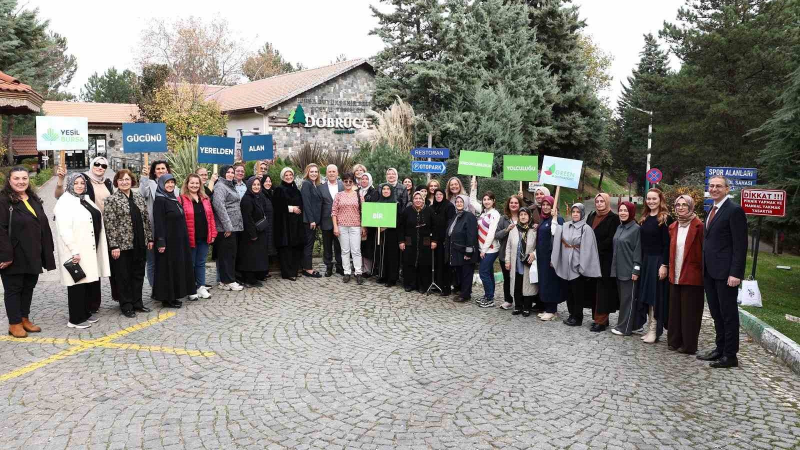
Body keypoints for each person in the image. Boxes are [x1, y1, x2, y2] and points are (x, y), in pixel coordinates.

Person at [698, 176, 747, 369]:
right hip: (710, 271)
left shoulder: (734, 210)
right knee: (716, 313)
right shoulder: (712, 208)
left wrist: (736, 273)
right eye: (711, 186)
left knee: (728, 314)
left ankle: (730, 355)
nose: (714, 189)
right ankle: (719, 349)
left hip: (726, 273)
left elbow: (740, 245)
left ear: (727, 189)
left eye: (719, 186)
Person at [0, 167, 56, 337]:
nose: (21, 182)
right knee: (14, 289)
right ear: (9, 180)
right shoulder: (3, 200)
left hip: (33, 252)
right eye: (16, 178)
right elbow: (0, 229)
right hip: (14, 254)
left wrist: (47, 249)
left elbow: (41, 224)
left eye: (24, 178)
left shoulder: (32, 197)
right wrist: (5, 255)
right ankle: (14, 323)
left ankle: (24, 318)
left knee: (28, 287)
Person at [54, 173, 110, 329]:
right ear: (70, 184)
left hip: (88, 248)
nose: (79, 186)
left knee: (86, 282)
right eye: (76, 183)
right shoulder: (65, 202)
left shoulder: (84, 199)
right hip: (75, 250)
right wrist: (74, 251)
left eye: (82, 183)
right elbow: (64, 230)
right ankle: (75, 319)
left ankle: (85, 313)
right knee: (76, 284)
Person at [104, 170, 154, 318]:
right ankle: (126, 305)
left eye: (127, 179)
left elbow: (146, 219)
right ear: (116, 182)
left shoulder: (138, 197)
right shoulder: (111, 200)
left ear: (132, 181)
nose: (124, 182)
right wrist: (114, 246)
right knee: (123, 276)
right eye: (121, 180)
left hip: (139, 242)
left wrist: (150, 239)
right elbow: (110, 224)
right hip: (122, 245)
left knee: (138, 274)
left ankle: (137, 302)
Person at [551, 203, 601, 327]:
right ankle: (571, 314)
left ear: (582, 214)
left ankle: (578, 317)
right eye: (573, 212)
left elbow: (587, 249)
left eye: (578, 212)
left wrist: (581, 266)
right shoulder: (565, 226)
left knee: (577, 292)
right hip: (566, 264)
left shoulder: (586, 229)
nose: (575, 214)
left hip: (577, 264)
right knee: (569, 291)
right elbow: (558, 238)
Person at [668, 195, 704, 355]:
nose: (681, 207)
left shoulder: (699, 226)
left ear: (691, 207)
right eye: (678, 205)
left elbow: (704, 251)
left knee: (690, 312)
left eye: (684, 205)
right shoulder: (673, 226)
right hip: (675, 273)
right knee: (675, 309)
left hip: (692, 274)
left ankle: (689, 345)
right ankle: (674, 341)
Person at [152, 174, 195, 307]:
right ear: (161, 185)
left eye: (172, 183)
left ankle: (174, 295)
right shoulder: (160, 200)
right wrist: (161, 241)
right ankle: (167, 298)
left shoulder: (173, 199)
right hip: (167, 241)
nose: (170, 185)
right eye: (167, 183)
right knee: (167, 269)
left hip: (178, 241)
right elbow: (158, 222)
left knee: (175, 268)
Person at [637, 188, 673, 344]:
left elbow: (667, 245)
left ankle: (654, 330)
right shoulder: (644, 217)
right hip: (646, 261)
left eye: (654, 199)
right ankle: (649, 327)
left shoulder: (665, 219)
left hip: (658, 262)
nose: (651, 201)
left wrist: (664, 265)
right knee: (646, 296)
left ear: (660, 200)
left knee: (655, 296)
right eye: (648, 199)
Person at [585, 193, 621, 332]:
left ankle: (602, 320)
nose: (599, 204)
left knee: (603, 290)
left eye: (602, 201)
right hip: (591, 259)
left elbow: (611, 238)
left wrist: (594, 247)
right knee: (594, 289)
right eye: (597, 201)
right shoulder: (592, 216)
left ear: (607, 202)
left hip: (605, 259)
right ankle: (597, 318)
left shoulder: (614, 218)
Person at [179, 174, 217, 299]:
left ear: (200, 185)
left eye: (197, 183)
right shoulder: (181, 199)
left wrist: (213, 233)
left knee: (201, 263)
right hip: (190, 237)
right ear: (187, 184)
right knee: (191, 263)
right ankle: (191, 288)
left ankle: (200, 286)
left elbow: (210, 217)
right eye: (192, 183)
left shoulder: (205, 198)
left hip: (204, 235)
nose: (194, 185)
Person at [611, 202, 642, 336]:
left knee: (627, 301)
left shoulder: (636, 229)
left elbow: (638, 250)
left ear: (631, 212)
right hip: (618, 270)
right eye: (621, 210)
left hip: (629, 271)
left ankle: (624, 328)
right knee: (623, 300)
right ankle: (633, 325)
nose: (623, 213)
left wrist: (636, 269)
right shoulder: (619, 227)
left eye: (626, 211)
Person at [140, 160, 172, 288]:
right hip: (153, 230)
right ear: (154, 171)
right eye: (158, 169)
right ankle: (155, 288)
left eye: (163, 168)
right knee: (152, 262)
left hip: (169, 230)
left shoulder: (173, 186)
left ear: (167, 170)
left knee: (167, 261)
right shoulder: (150, 184)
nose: (160, 171)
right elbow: (143, 194)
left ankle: (167, 287)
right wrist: (144, 178)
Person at [236, 177, 273, 287]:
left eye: (258, 184)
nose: (256, 187)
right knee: (250, 257)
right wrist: (253, 234)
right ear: (249, 186)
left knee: (256, 256)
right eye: (254, 185)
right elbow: (247, 218)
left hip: (259, 231)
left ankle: (254, 277)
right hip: (250, 234)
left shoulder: (258, 197)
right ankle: (249, 279)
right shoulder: (247, 199)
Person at [212, 165, 244, 291]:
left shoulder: (230, 185)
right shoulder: (220, 186)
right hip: (226, 228)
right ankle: (228, 281)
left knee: (229, 255)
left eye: (232, 172)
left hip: (234, 227)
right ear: (222, 173)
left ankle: (225, 281)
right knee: (227, 256)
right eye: (228, 172)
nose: (230, 174)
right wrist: (227, 227)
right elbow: (219, 206)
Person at [399, 191, 436, 292]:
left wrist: (434, 241)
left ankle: (422, 286)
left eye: (420, 198)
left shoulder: (429, 211)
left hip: (425, 240)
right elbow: (401, 226)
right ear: (413, 200)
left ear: (423, 199)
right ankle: (409, 284)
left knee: (423, 263)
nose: (418, 200)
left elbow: (435, 227)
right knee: (409, 262)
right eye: (416, 198)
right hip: (409, 240)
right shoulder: (407, 211)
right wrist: (401, 241)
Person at [332, 172, 365, 285]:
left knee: (356, 250)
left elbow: (363, 212)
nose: (348, 183)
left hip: (355, 226)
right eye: (346, 181)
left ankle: (358, 272)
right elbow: (334, 212)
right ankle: (347, 272)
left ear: (353, 182)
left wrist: (363, 227)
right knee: (345, 250)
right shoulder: (339, 195)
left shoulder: (359, 195)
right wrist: (335, 227)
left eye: (350, 181)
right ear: (343, 182)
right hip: (342, 226)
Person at [504, 207, 538, 316]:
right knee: (517, 285)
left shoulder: (534, 230)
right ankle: (518, 306)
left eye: (525, 214)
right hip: (516, 263)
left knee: (527, 285)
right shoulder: (514, 229)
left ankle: (527, 307)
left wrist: (534, 254)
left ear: (529, 216)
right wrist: (507, 261)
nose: (523, 217)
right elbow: (508, 246)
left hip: (528, 262)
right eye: (521, 215)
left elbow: (538, 246)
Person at [536, 196, 565, 321]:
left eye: (548, 205)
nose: (546, 207)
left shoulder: (557, 219)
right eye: (544, 204)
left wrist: (555, 220)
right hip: (542, 257)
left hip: (551, 257)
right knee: (544, 281)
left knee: (551, 282)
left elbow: (558, 235)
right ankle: (548, 308)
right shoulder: (543, 219)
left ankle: (552, 310)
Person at [273, 167, 305, 280]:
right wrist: (291, 209)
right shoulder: (279, 189)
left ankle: (294, 271)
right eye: (286, 175)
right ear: (283, 176)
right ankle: (287, 273)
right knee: (286, 249)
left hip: (296, 224)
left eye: (290, 175)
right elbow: (276, 206)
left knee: (295, 247)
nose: (288, 177)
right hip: (285, 224)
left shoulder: (296, 189)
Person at [445, 195, 478, 302]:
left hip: (465, 251)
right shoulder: (456, 216)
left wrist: (469, 253)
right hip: (457, 250)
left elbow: (471, 235)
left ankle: (465, 295)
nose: (459, 203)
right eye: (457, 202)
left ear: (466, 203)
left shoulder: (469, 216)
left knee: (466, 273)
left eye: (461, 202)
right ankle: (462, 291)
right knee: (460, 272)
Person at [495, 195, 523, 309]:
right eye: (511, 202)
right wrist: (507, 230)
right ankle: (508, 300)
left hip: (520, 254)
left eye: (516, 203)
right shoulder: (504, 219)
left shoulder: (524, 216)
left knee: (519, 278)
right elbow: (497, 235)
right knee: (507, 278)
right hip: (505, 254)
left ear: (520, 204)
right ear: (508, 204)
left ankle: (521, 301)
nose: (513, 204)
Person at [373, 183, 401, 287]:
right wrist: (376, 225)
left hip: (392, 234)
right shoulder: (378, 203)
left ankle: (391, 278)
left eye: (387, 189)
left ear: (391, 191)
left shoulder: (396, 203)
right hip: (380, 233)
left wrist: (387, 227)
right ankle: (382, 275)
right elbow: (374, 216)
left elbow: (398, 220)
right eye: (383, 189)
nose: (385, 191)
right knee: (381, 254)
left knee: (391, 256)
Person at [476, 192, 501, 307]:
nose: (486, 201)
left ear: (493, 201)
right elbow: (472, 202)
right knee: (489, 273)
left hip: (491, 249)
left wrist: (483, 250)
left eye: (489, 199)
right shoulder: (484, 213)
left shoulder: (494, 214)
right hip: (483, 248)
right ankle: (488, 295)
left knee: (483, 272)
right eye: (484, 199)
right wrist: (473, 187)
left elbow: (491, 234)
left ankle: (490, 298)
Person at [318, 165, 344, 276]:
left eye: (334, 171)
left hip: (341, 221)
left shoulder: (343, 185)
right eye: (330, 172)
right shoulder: (321, 187)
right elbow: (319, 205)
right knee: (327, 245)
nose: (332, 173)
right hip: (326, 221)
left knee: (340, 245)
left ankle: (340, 266)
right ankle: (328, 266)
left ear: (337, 173)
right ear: (327, 173)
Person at [430, 189, 456, 296]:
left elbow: (450, 223)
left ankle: (446, 287)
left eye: (440, 194)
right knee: (436, 263)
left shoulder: (449, 206)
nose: (438, 196)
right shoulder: (432, 207)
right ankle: (437, 284)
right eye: (436, 194)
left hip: (445, 240)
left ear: (444, 195)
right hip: (434, 239)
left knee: (444, 264)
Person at [300, 163, 323, 278]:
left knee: (309, 244)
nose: (314, 173)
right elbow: (307, 204)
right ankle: (308, 269)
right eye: (311, 171)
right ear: (307, 173)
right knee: (309, 245)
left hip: (314, 220)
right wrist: (312, 220)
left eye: (316, 172)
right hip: (309, 221)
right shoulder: (306, 184)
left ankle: (306, 266)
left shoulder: (315, 185)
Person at [359, 173, 380, 277]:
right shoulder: (356, 191)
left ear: (370, 180)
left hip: (369, 224)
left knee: (367, 247)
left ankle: (367, 269)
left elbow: (373, 208)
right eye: (362, 179)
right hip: (356, 222)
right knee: (358, 246)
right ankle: (359, 267)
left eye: (366, 179)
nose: (364, 180)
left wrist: (365, 225)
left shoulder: (374, 192)